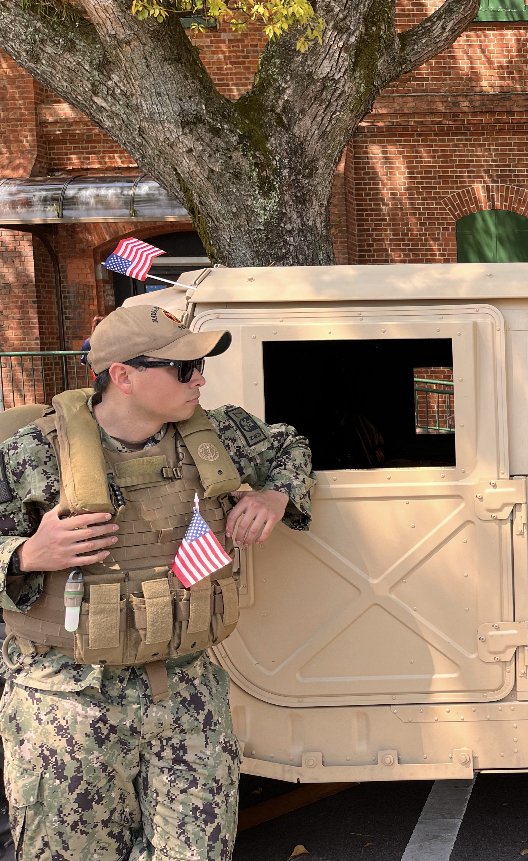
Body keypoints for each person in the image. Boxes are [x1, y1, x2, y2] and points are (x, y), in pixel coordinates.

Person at [0, 305, 315, 860]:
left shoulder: (220, 435)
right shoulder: (34, 454)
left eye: (200, 366)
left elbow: (292, 446)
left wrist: (274, 495)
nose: (201, 379)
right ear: (122, 375)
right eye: (183, 368)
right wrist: (26, 553)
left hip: (187, 692)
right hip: (68, 705)